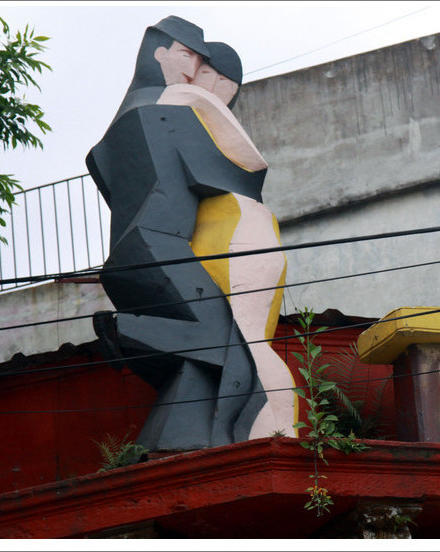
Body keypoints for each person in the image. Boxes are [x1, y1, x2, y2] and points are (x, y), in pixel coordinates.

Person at [87, 17, 271, 450]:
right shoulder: (170, 111)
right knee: (233, 343)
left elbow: (103, 172)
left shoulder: (114, 131)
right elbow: (240, 177)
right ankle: (124, 330)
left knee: (200, 365)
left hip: (126, 254)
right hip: (163, 244)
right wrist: (214, 112)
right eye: (188, 57)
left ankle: (170, 438)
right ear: (157, 52)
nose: (191, 73)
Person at [158, 41, 297, 438]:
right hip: (230, 230)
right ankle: (262, 427)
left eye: (198, 68)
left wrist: (176, 79)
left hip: (238, 231)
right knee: (241, 337)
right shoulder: (201, 108)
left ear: (222, 83)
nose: (188, 75)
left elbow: (169, 99)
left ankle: (278, 430)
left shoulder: (191, 100)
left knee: (249, 338)